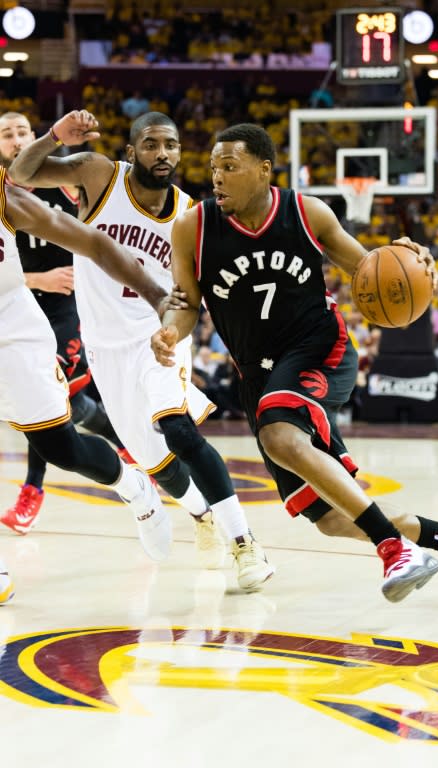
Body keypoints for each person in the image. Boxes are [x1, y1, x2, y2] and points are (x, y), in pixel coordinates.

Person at [151, 123, 438, 608]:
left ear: (264, 169)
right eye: (213, 167)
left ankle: (393, 549)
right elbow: (185, 301)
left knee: (278, 432)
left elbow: (368, 270)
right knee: (331, 516)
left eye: (230, 166)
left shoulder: (306, 212)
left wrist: (409, 259)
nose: (217, 177)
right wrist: (171, 329)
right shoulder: (194, 227)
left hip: (320, 350)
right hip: (259, 375)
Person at [9, 110, 274, 592]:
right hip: (105, 345)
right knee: (158, 464)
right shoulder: (97, 174)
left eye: (171, 145)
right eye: (151, 145)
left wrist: (185, 329)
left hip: (160, 336)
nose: (163, 154)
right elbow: (21, 175)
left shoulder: (192, 215)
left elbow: (194, 291)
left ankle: (245, 543)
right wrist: (53, 137)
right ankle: (199, 513)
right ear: (131, 152)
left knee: (177, 429)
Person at [0, 164, 173, 563]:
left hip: (14, 336)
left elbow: (93, 243)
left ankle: (133, 487)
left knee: (63, 450)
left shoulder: (10, 199)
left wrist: (155, 295)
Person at [0, 111, 130, 534]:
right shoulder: (5, 191)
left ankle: (32, 491)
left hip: (65, 311)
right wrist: (37, 279)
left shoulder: (64, 181)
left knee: (50, 408)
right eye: (7, 134)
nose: (17, 139)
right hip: (21, 300)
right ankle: (124, 442)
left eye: (23, 132)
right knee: (71, 406)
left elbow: (101, 235)